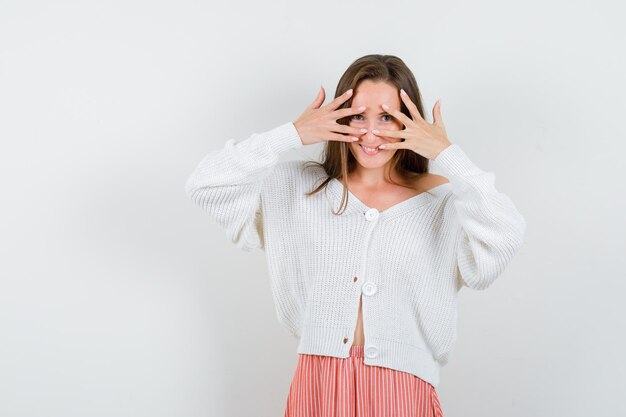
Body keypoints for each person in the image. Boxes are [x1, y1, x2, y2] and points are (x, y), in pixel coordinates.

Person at [185, 54, 527, 417]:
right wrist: (292, 134)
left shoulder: (442, 201)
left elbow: (505, 235)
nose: (370, 133)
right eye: (358, 116)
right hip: (317, 385)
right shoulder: (299, 187)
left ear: (411, 123)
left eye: (387, 118)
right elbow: (205, 184)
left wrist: (447, 155)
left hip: (403, 388)